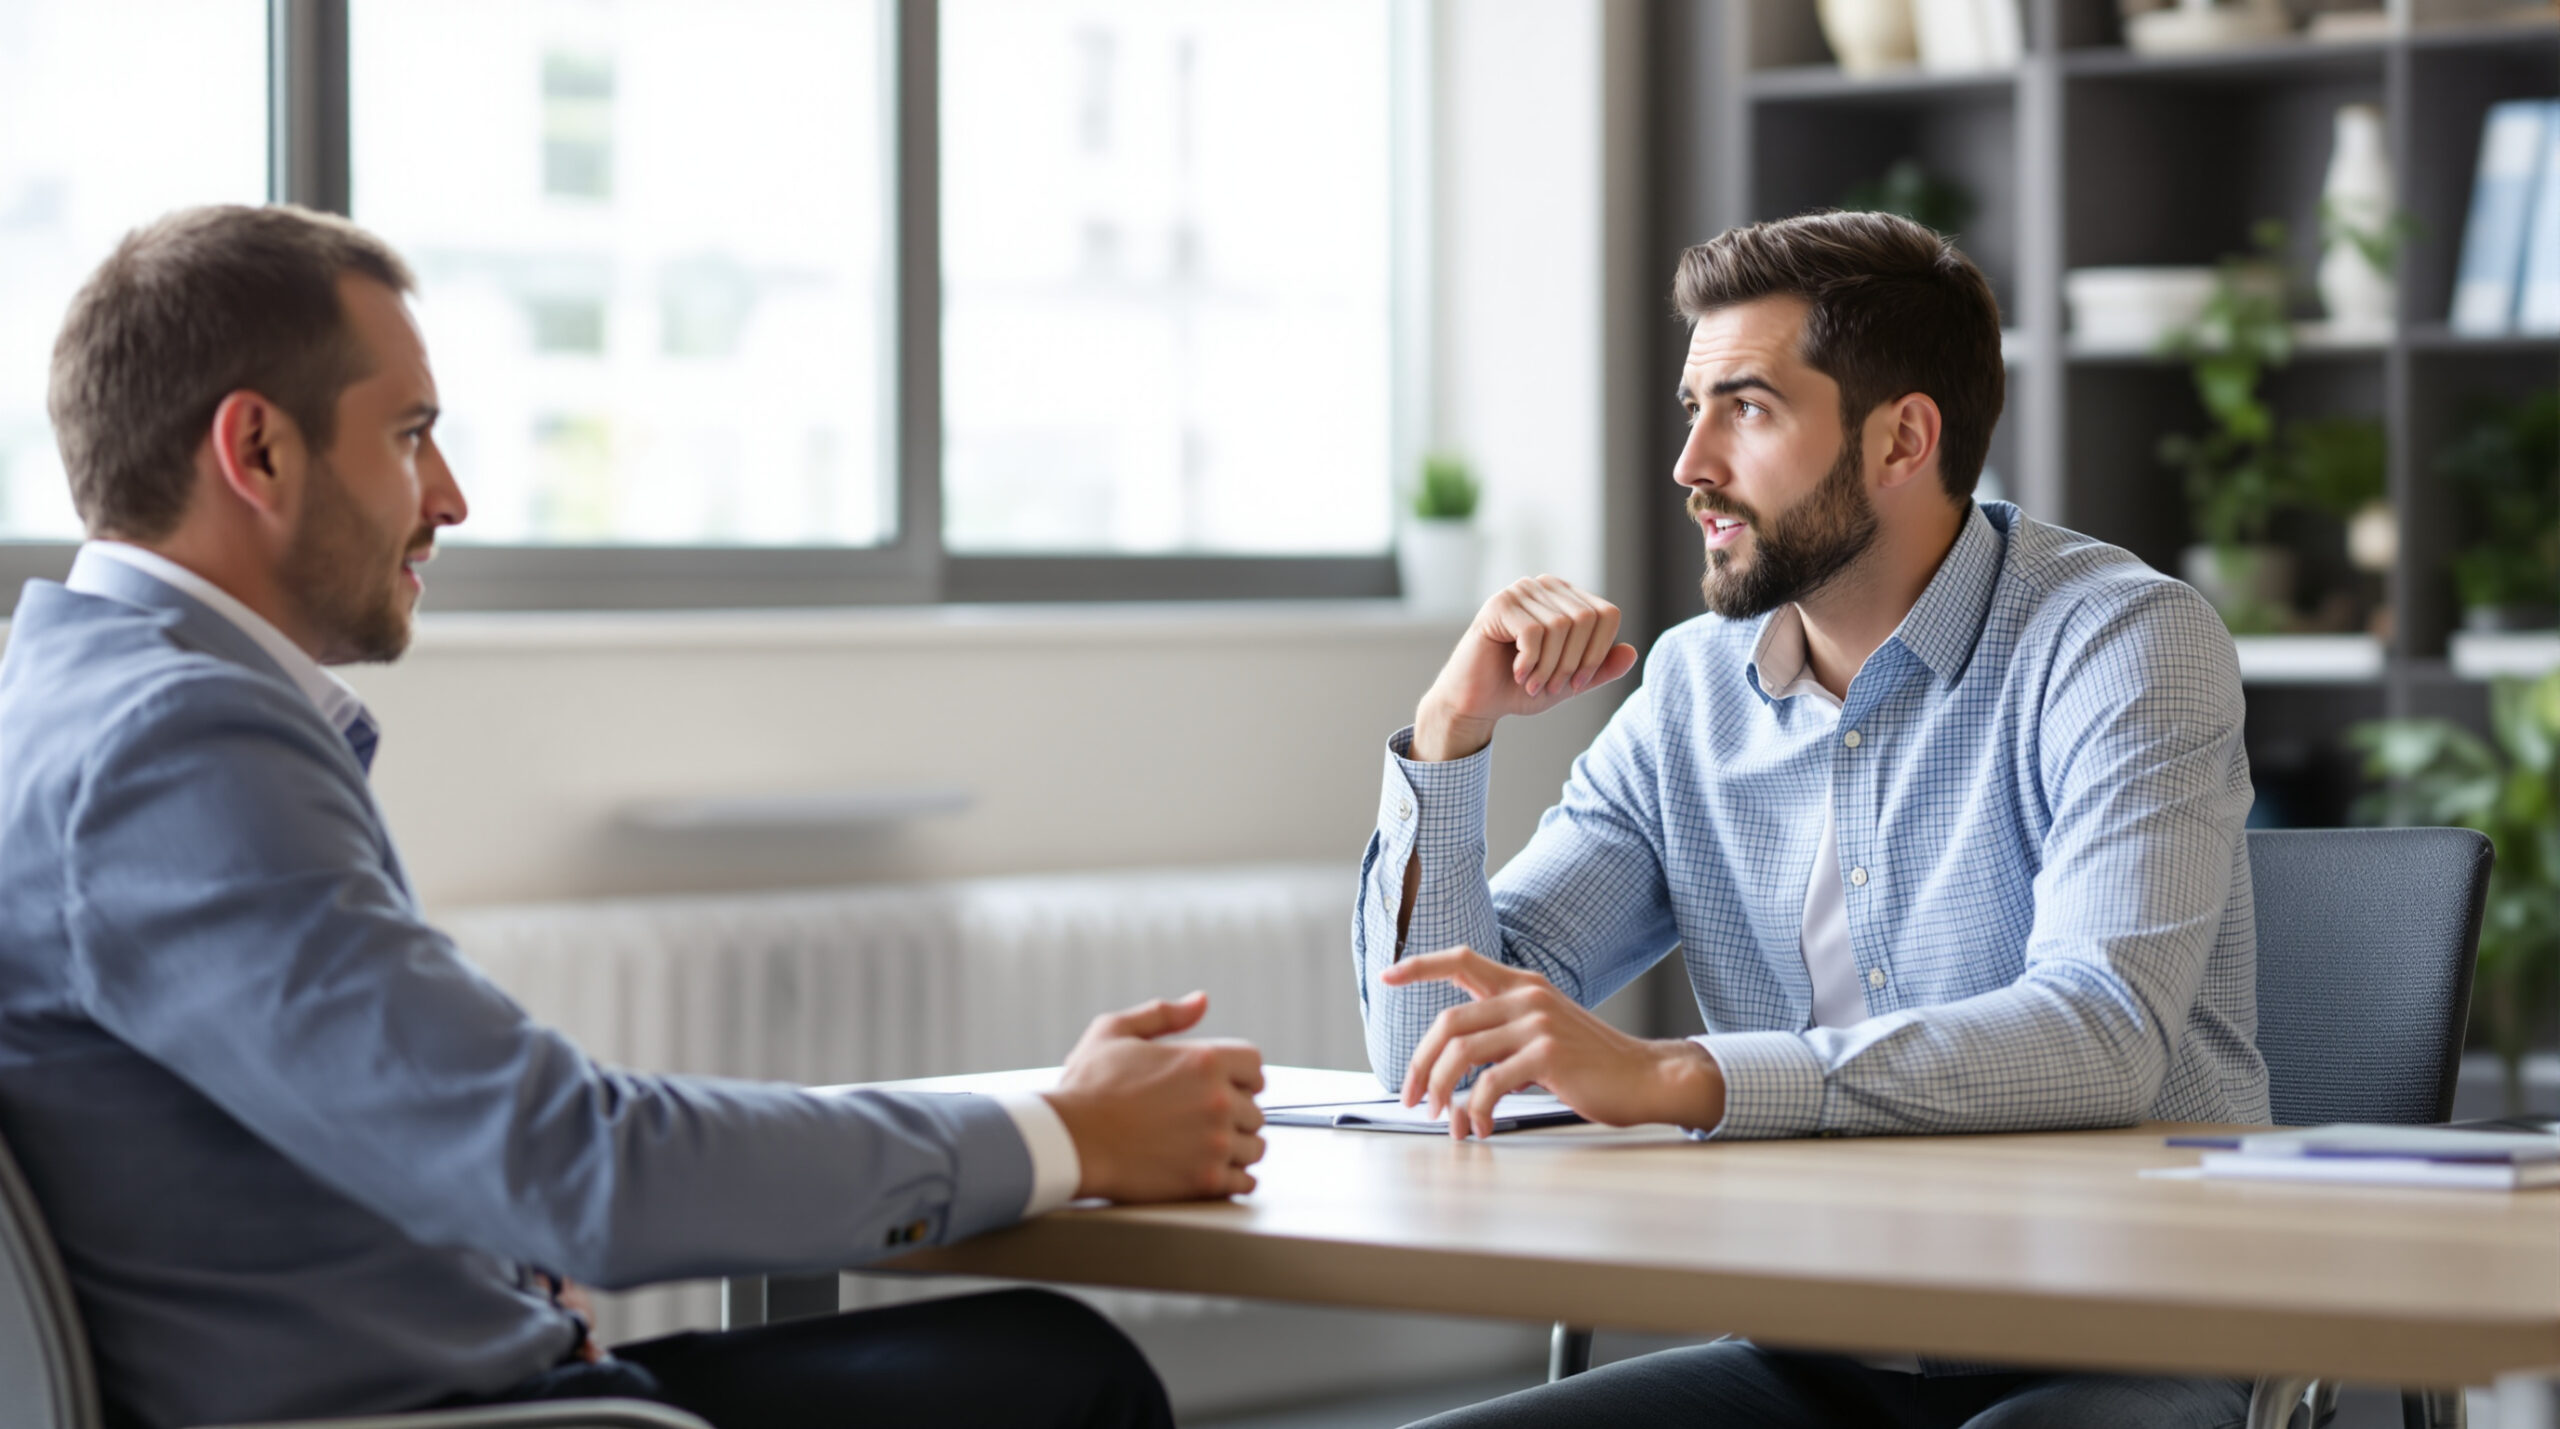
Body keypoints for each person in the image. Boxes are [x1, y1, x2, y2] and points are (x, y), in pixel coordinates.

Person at [0, 204, 1266, 1429]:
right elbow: (580, 1165)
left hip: (412, 1371)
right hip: (440, 1416)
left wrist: (490, 1273)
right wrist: (1069, 1132)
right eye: (410, 435)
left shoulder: (64, 699)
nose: (448, 496)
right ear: (258, 450)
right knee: (1059, 1373)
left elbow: (309, 1136)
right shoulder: (175, 746)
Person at [1353, 211, 2270, 1428]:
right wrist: (1446, 737)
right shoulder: (1690, 689)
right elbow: (1432, 1044)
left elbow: (2098, 1031)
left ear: (1902, 437)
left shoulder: (2122, 643)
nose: (1689, 465)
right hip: (1820, 1351)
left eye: (1746, 407)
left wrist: (1683, 1075)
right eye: (1693, 409)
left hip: (2115, 1335)